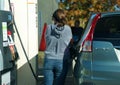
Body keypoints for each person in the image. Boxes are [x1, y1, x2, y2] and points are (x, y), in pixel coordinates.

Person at [43, 9, 72, 85]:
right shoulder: (68, 29)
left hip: (49, 59)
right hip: (62, 61)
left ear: (53, 18)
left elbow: (46, 41)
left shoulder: (49, 28)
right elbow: (70, 44)